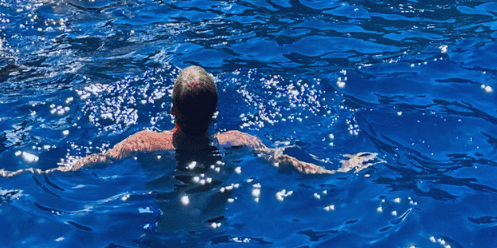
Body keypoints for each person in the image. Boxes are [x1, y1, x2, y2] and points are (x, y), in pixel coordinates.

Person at [58, 66, 374, 174]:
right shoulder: (237, 141)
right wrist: (341, 169)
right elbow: (289, 164)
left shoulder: (145, 142)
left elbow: (95, 161)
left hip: (168, 226)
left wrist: (32, 172)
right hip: (213, 228)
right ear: (215, 113)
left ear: (172, 112)